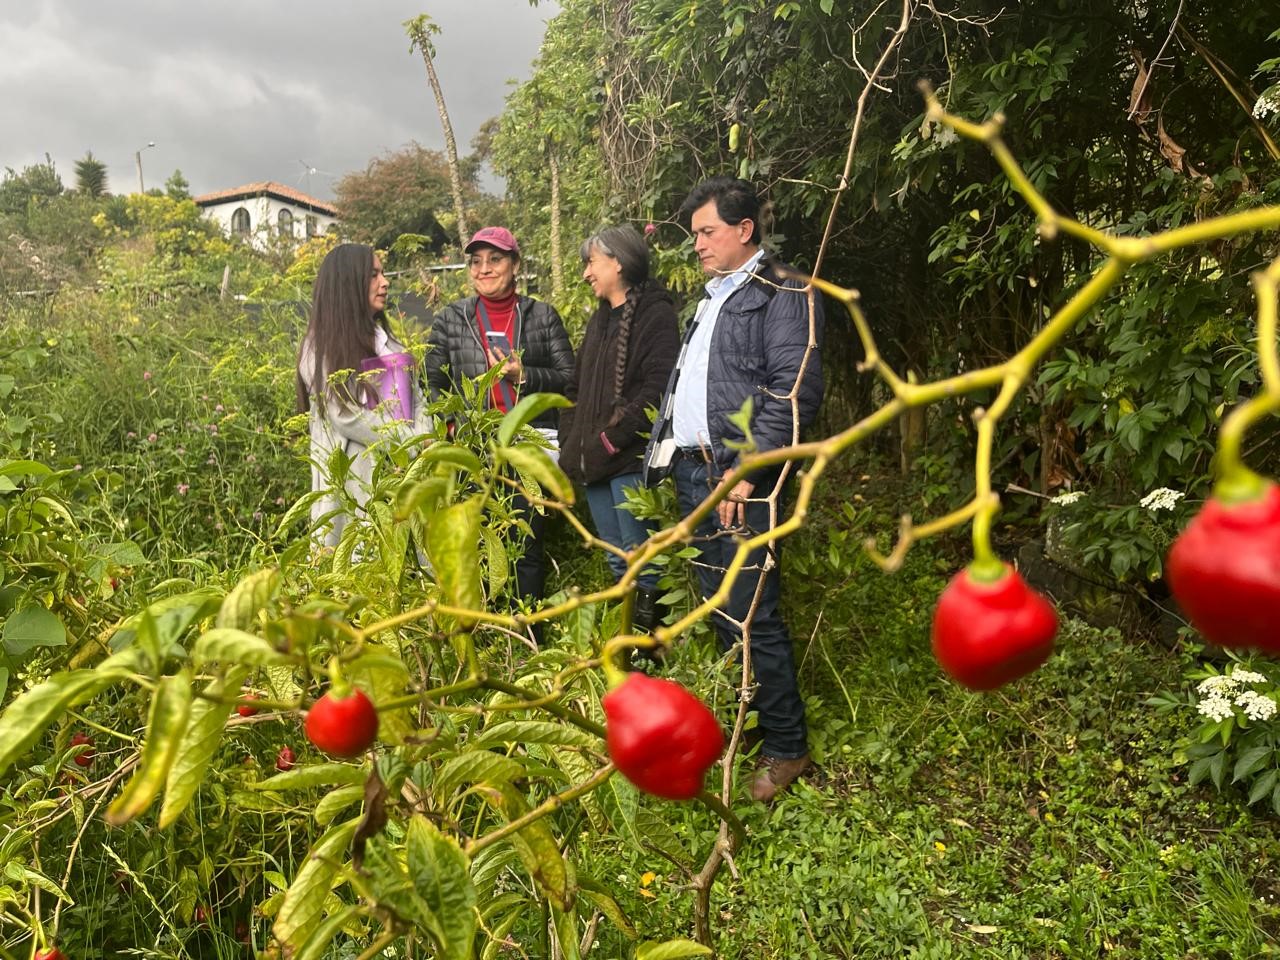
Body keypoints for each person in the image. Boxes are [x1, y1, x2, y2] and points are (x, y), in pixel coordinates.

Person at [643, 177, 824, 803]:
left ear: (744, 230)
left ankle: (786, 746)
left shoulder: (784, 291)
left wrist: (746, 471)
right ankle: (742, 725)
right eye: (695, 234)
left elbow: (792, 391)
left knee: (753, 610)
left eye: (707, 232)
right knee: (720, 607)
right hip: (697, 472)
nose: (697, 244)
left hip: (742, 477)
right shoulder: (713, 297)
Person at [425, 226, 575, 607]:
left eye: (495, 260)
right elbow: (433, 382)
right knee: (478, 539)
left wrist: (522, 375)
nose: (484, 269)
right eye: (476, 261)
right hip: (475, 446)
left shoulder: (542, 317)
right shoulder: (451, 319)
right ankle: (485, 632)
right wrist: (453, 426)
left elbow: (570, 379)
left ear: (514, 265)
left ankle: (525, 633)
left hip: (530, 444)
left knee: (527, 539)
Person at [559, 225, 679, 631]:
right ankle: (626, 649)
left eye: (591, 262)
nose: (586, 273)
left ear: (619, 262)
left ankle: (651, 652)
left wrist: (612, 439)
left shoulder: (656, 314)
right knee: (616, 560)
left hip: (626, 462)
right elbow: (575, 388)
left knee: (642, 560)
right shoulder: (599, 321)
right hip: (594, 462)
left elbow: (659, 388)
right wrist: (571, 441)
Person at [296, 242, 431, 549]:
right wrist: (410, 444)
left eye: (383, 274)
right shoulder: (318, 348)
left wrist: (424, 437)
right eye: (373, 275)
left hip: (402, 481)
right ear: (348, 283)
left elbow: (419, 400)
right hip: (353, 488)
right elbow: (346, 415)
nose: (385, 282)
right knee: (355, 578)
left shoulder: (390, 342)